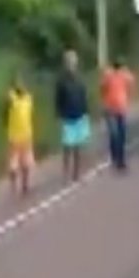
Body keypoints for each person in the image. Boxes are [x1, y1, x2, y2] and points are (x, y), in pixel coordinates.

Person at [55, 49, 91, 183]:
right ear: (65, 64)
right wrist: (58, 114)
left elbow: (84, 96)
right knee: (67, 147)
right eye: (69, 62)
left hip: (80, 115)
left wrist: (86, 112)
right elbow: (58, 99)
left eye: (73, 61)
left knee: (78, 147)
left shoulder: (80, 79)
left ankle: (77, 173)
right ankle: (65, 174)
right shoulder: (61, 81)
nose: (71, 64)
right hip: (67, 117)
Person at [100, 58, 135, 172]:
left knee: (120, 134)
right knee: (115, 134)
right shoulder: (109, 75)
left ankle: (119, 158)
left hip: (121, 108)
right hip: (111, 109)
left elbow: (131, 83)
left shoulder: (124, 75)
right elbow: (102, 87)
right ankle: (116, 157)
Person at [4, 73, 35, 196]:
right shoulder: (10, 97)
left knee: (26, 163)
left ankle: (25, 185)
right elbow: (5, 114)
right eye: (18, 83)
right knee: (13, 164)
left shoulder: (28, 98)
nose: (20, 85)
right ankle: (13, 186)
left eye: (22, 83)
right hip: (14, 135)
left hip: (27, 134)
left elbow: (30, 114)